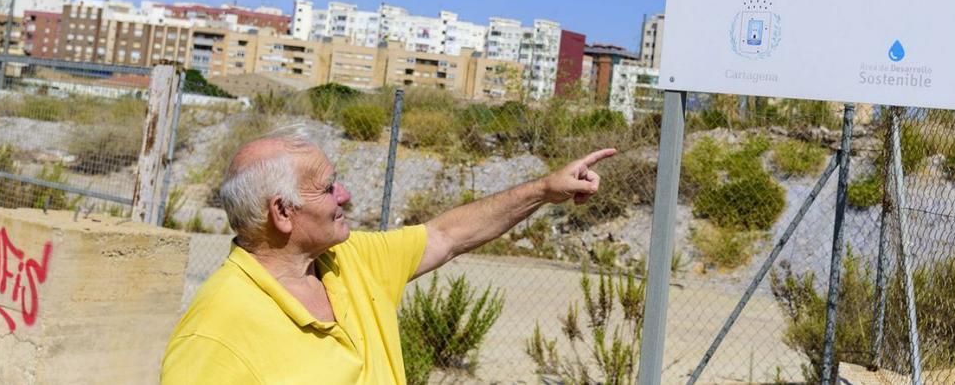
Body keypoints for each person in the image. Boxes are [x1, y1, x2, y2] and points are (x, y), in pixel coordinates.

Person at [161, 125, 615, 384]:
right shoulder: (214, 337)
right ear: (282, 212)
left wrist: (543, 190)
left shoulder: (349, 259)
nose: (346, 194)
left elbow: (446, 236)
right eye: (327, 187)